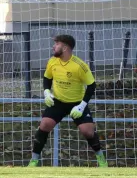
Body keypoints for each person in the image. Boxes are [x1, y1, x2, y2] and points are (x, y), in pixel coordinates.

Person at [27, 34, 107, 167]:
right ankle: (34, 160)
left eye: (56, 44)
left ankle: (101, 159)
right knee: (44, 125)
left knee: (87, 131)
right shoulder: (52, 61)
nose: (53, 47)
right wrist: (47, 92)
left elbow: (92, 85)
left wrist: (81, 106)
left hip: (77, 103)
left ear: (64, 48)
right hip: (58, 102)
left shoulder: (79, 65)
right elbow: (47, 78)